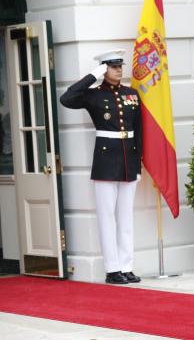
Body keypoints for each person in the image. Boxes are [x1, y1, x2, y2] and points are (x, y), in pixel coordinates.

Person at [59, 49, 142, 285]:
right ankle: (112, 269)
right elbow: (66, 98)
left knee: (125, 217)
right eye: (113, 66)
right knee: (107, 216)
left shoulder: (131, 94)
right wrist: (92, 76)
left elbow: (139, 131)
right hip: (106, 161)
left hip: (129, 160)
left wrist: (138, 163)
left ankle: (126, 266)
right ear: (104, 69)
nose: (118, 69)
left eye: (119, 66)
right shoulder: (93, 95)